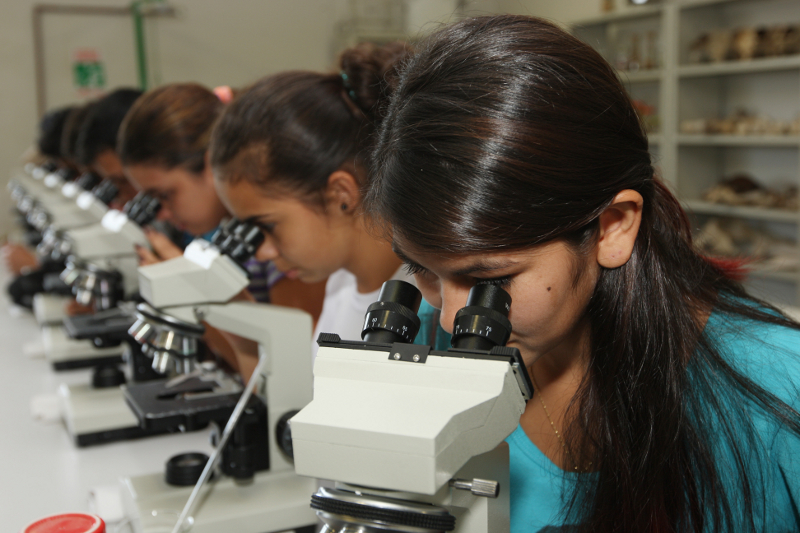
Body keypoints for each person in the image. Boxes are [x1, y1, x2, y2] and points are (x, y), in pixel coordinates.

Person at [365, 15, 800, 533]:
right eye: (422, 270)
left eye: (492, 279)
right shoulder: (449, 346)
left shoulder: (777, 389)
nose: (454, 316)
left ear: (613, 227)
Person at [210, 41, 415, 359]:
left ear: (340, 194)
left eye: (267, 226)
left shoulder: (426, 306)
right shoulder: (341, 283)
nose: (262, 252)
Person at [118, 83, 326, 377]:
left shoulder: (283, 249)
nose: (161, 214)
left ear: (210, 163)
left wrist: (194, 298)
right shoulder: (217, 232)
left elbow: (295, 375)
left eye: (165, 195)